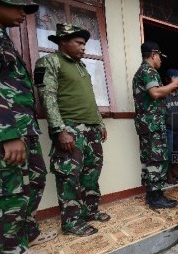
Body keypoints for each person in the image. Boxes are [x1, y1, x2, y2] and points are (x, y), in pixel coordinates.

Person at [0, 0, 57, 254]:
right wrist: (7, 134)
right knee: (9, 189)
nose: (23, 14)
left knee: (34, 180)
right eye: (19, 7)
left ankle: (27, 233)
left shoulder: (0, 36)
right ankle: (8, 253)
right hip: (5, 131)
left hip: (22, 128)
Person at [34, 23, 110, 237]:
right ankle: (71, 222)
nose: (83, 47)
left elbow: (90, 99)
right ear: (62, 42)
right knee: (69, 176)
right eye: (78, 43)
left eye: (85, 43)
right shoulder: (49, 62)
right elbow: (47, 98)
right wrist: (60, 130)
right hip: (70, 128)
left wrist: (99, 123)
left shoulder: (81, 66)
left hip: (91, 129)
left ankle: (90, 211)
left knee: (91, 172)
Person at [132, 41, 178, 209]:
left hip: (148, 124)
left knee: (149, 159)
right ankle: (155, 198)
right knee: (156, 159)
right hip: (152, 125)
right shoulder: (148, 71)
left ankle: (152, 195)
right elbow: (154, 92)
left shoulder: (143, 71)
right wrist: (172, 85)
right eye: (159, 56)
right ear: (153, 55)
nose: (161, 60)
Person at [164, 68, 178, 184]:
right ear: (167, 80)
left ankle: (175, 170)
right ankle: (168, 174)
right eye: (175, 77)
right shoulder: (163, 94)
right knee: (168, 152)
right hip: (167, 129)